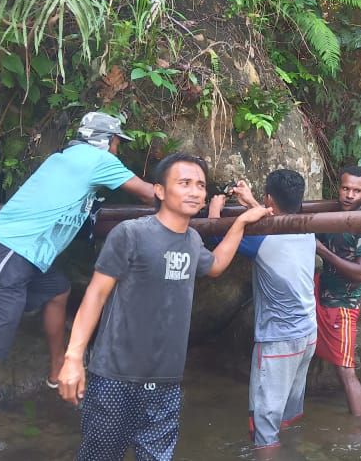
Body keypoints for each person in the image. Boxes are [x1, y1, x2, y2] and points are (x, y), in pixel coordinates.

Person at [0, 112, 155, 452]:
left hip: (21, 259)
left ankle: (56, 368)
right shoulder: (96, 159)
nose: (118, 151)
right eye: (118, 143)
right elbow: (150, 194)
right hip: (3, 256)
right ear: (104, 140)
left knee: (57, 289)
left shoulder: (64, 158)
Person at [56, 152, 271, 460]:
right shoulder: (131, 233)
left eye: (200, 185)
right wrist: (73, 357)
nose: (195, 191)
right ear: (159, 190)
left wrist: (240, 223)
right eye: (184, 183)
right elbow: (95, 295)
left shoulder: (193, 241)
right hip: (117, 375)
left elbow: (217, 266)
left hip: (166, 380)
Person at [208, 170, 317, 454]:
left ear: (270, 197)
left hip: (278, 341)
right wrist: (251, 202)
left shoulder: (261, 240)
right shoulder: (306, 228)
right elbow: (271, 221)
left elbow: (218, 244)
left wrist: (214, 212)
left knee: (264, 428)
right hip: (307, 334)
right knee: (285, 416)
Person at [314, 166, 361, 418]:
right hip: (322, 296)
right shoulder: (330, 217)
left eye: (356, 190)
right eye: (345, 188)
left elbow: (360, 272)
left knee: (346, 371)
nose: (349, 195)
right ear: (338, 188)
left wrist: (322, 251)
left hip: (343, 304)